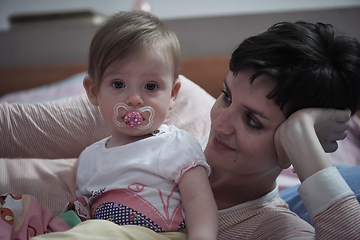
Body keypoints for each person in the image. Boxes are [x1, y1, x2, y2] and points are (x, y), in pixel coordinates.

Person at [2, 20, 360, 239]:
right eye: (225, 95)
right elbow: (12, 128)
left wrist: (304, 141)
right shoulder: (151, 100)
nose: (218, 122)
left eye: (252, 120)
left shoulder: (273, 230)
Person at [52, 11, 219, 240]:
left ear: (172, 95)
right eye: (118, 84)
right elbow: (83, 211)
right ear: (93, 91)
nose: (134, 99)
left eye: (150, 86)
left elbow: (198, 198)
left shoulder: (177, 144)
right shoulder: (89, 158)